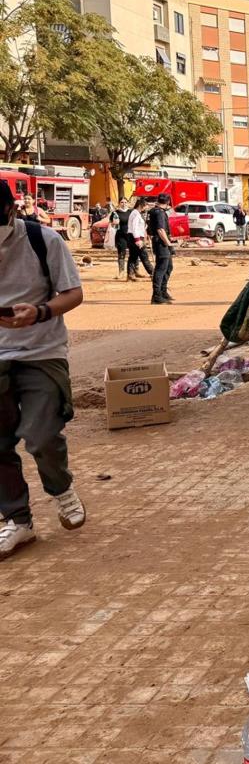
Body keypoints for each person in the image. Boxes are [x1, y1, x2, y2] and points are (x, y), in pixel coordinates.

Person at [0, 182, 86, 560]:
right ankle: (18, 521)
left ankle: (60, 487)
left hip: (41, 351)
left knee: (40, 435)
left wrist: (40, 312)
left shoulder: (44, 240)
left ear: (11, 213)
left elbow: (73, 293)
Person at [147, 194, 176, 304]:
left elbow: (149, 228)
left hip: (159, 242)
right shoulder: (159, 212)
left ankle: (163, 291)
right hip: (161, 243)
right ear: (168, 202)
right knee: (161, 269)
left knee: (169, 267)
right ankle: (157, 295)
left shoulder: (153, 211)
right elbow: (160, 230)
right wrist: (168, 243)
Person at [126, 199, 153, 282]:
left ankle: (130, 274)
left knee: (133, 257)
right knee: (144, 256)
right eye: (145, 206)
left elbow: (140, 227)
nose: (146, 208)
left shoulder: (137, 213)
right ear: (141, 205)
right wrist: (138, 239)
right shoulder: (135, 214)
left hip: (135, 237)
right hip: (135, 237)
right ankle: (153, 273)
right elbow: (134, 228)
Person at [112, 198, 133, 281]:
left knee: (133, 254)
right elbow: (112, 225)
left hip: (131, 236)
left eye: (125, 202)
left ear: (128, 203)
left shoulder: (131, 212)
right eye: (122, 202)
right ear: (119, 203)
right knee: (121, 254)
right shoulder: (115, 213)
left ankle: (134, 271)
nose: (123, 204)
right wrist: (114, 223)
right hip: (120, 236)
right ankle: (121, 272)